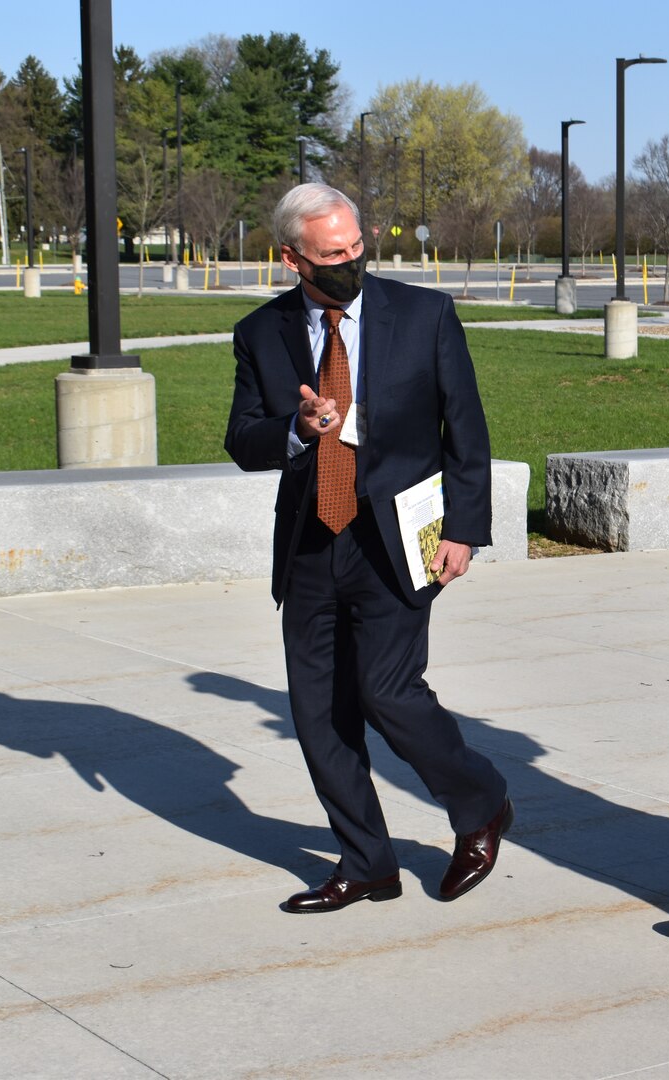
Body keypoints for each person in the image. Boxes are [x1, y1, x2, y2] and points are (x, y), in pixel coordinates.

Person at [225, 182, 512, 914]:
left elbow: (466, 432)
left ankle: (479, 801)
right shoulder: (261, 333)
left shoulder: (424, 314)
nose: (349, 262)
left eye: (356, 248)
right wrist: (297, 429)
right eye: (331, 255)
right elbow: (243, 439)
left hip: (398, 538)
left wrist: (463, 530)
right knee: (318, 714)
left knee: (388, 691)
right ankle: (367, 863)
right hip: (311, 543)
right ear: (292, 259)